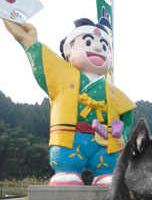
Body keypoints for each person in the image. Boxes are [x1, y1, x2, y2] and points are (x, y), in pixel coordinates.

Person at [4, 18, 135, 186]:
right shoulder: (63, 77)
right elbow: (44, 65)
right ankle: (67, 171)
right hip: (71, 136)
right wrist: (30, 42)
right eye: (88, 42)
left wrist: (123, 135)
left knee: (108, 161)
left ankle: (104, 174)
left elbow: (127, 111)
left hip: (103, 140)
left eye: (104, 46)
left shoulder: (112, 91)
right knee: (67, 161)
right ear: (68, 49)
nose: (97, 48)